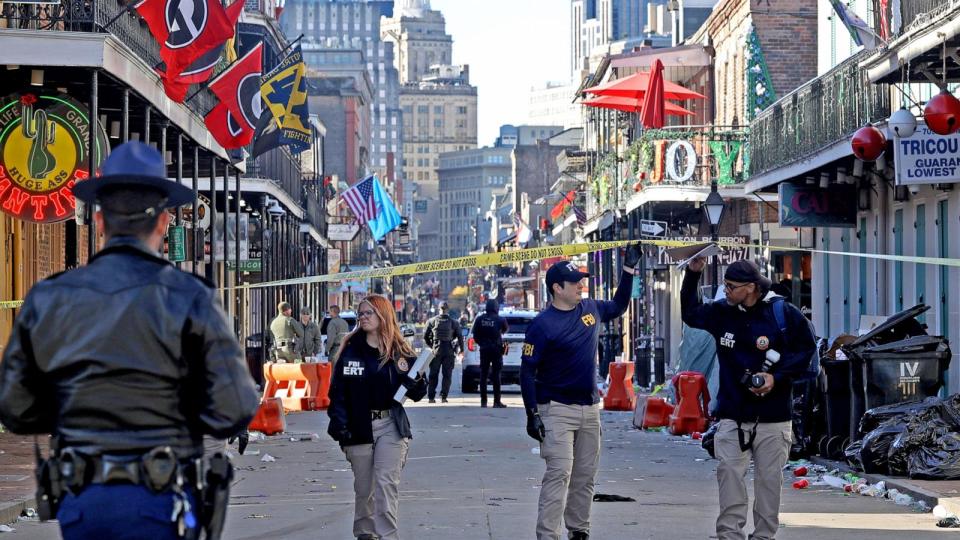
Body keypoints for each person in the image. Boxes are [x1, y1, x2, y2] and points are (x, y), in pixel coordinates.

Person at [0, 141, 259, 540]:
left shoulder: (50, 296)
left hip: (84, 497)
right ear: (163, 222)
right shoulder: (191, 296)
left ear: (100, 221)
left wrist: (75, 405)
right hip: (162, 494)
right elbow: (236, 406)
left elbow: (15, 407)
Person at [681, 258, 816, 540]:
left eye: (731, 286)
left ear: (752, 287)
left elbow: (806, 351)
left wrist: (775, 378)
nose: (726, 291)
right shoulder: (722, 313)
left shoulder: (783, 314)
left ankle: (764, 535)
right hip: (733, 413)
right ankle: (729, 534)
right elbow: (691, 314)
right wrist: (693, 274)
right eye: (725, 285)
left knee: (769, 482)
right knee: (729, 474)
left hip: (774, 417)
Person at [520, 245, 641, 540]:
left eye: (581, 282)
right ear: (557, 288)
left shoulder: (591, 309)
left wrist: (628, 269)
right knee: (559, 474)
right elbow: (527, 372)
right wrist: (532, 414)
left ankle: (579, 530)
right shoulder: (541, 326)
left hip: (589, 410)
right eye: (575, 283)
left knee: (585, 476)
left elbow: (620, 305)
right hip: (556, 411)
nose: (581, 286)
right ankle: (548, 534)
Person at [327, 295, 427, 540]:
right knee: (365, 490)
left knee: (386, 485)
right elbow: (337, 392)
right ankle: (365, 534)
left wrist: (417, 383)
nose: (363, 317)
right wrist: (341, 426)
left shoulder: (399, 351)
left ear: (383, 315)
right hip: (358, 427)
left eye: (368, 313)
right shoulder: (351, 349)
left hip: (391, 426)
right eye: (360, 314)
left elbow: (417, 392)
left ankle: (388, 536)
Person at [423, 302, 464, 403]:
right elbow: (460, 337)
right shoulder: (454, 322)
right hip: (449, 351)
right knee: (447, 375)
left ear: (439, 309)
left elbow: (425, 337)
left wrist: (432, 346)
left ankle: (431, 397)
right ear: (448, 310)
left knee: (433, 375)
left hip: (436, 351)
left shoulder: (431, 321)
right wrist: (461, 350)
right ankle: (444, 396)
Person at [472, 299, 509, 408]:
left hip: (484, 350)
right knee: (496, 375)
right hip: (496, 350)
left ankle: (483, 402)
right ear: (496, 308)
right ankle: (496, 402)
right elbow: (506, 329)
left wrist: (482, 344)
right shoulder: (500, 319)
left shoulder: (479, 319)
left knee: (483, 375)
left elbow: (475, 335)